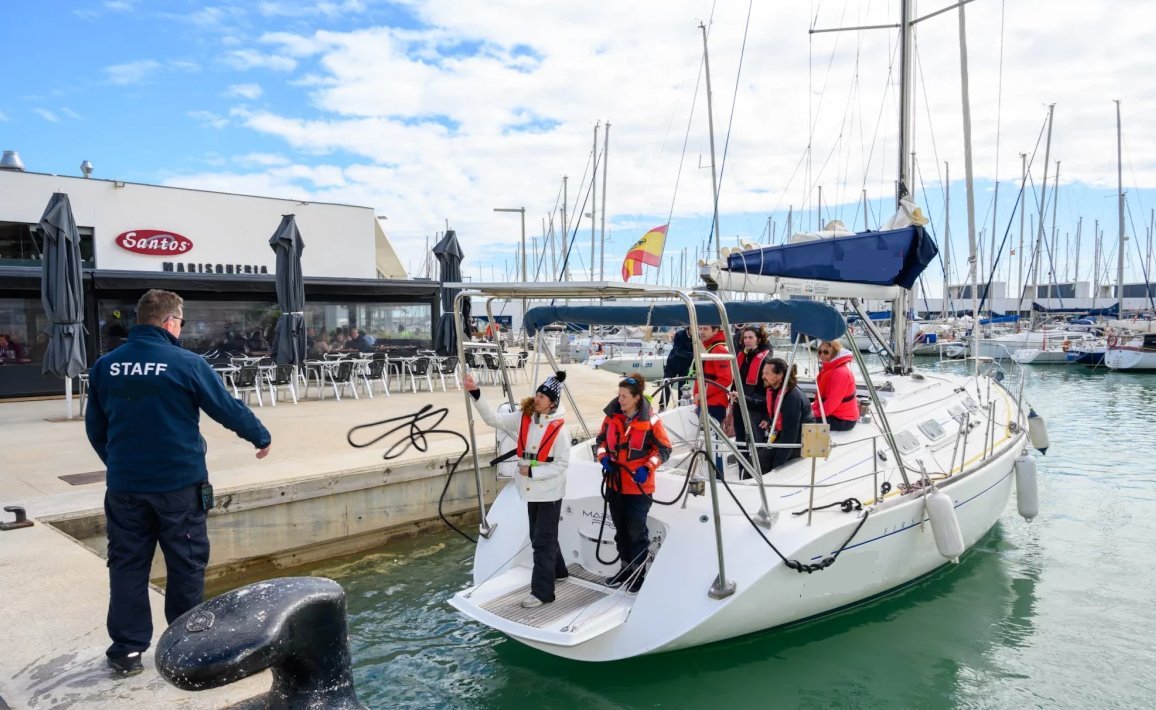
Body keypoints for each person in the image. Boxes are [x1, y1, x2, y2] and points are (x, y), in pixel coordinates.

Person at [85, 289, 271, 676]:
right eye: (181, 322)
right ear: (171, 322)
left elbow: (96, 429)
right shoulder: (186, 363)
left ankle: (127, 651)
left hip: (125, 487)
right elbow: (226, 407)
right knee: (185, 564)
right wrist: (260, 436)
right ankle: (184, 645)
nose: (181, 329)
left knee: (126, 565)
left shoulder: (106, 366)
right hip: (179, 486)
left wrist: (120, 464)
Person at [463, 370, 571, 609]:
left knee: (542, 542)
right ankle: (559, 571)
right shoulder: (524, 417)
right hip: (532, 491)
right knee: (540, 537)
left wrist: (532, 472)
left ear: (552, 403)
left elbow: (562, 465)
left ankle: (542, 593)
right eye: (537, 394)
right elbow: (494, 420)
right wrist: (476, 393)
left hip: (550, 493)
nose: (536, 398)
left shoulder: (561, 432)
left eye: (542, 397)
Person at [595, 373, 672, 594]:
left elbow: (664, 449)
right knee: (620, 531)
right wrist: (603, 457)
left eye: (624, 396)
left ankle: (638, 574)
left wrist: (647, 467)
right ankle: (625, 569)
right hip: (615, 484)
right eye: (619, 395)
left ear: (637, 398)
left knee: (636, 532)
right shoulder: (612, 417)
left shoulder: (652, 421)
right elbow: (600, 441)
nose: (620, 400)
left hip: (638, 488)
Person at [757, 358, 814, 473]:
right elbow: (763, 405)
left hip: (799, 442)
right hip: (782, 437)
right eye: (763, 373)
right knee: (756, 459)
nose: (763, 376)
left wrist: (778, 467)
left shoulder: (792, 398)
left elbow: (790, 437)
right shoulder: (775, 390)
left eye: (767, 373)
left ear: (779, 375)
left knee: (758, 462)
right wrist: (741, 399)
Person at [731, 325, 772, 455]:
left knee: (757, 441)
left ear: (758, 339)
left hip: (756, 407)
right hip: (739, 404)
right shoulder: (741, 357)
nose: (747, 340)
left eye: (750, 337)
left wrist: (767, 417)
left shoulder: (765, 360)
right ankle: (742, 466)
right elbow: (735, 382)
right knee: (740, 440)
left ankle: (758, 466)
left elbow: (770, 389)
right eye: (745, 338)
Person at [812, 340, 859, 431]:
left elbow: (832, 402)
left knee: (803, 420)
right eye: (820, 352)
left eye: (826, 352)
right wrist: (813, 409)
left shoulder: (840, 373)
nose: (822, 355)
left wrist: (814, 414)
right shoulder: (830, 369)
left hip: (843, 420)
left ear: (834, 354)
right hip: (834, 414)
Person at [692, 324, 733, 423]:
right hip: (706, 402)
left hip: (713, 405)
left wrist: (702, 394)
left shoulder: (719, 350)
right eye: (700, 329)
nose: (702, 332)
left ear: (716, 331)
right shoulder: (708, 348)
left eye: (705, 329)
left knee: (711, 433)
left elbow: (725, 379)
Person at [660, 327, 694, 408]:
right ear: (689, 327)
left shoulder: (697, 336)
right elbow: (678, 351)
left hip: (685, 365)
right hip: (673, 363)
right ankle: (662, 404)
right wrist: (692, 355)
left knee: (683, 387)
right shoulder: (679, 334)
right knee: (667, 384)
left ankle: (681, 405)